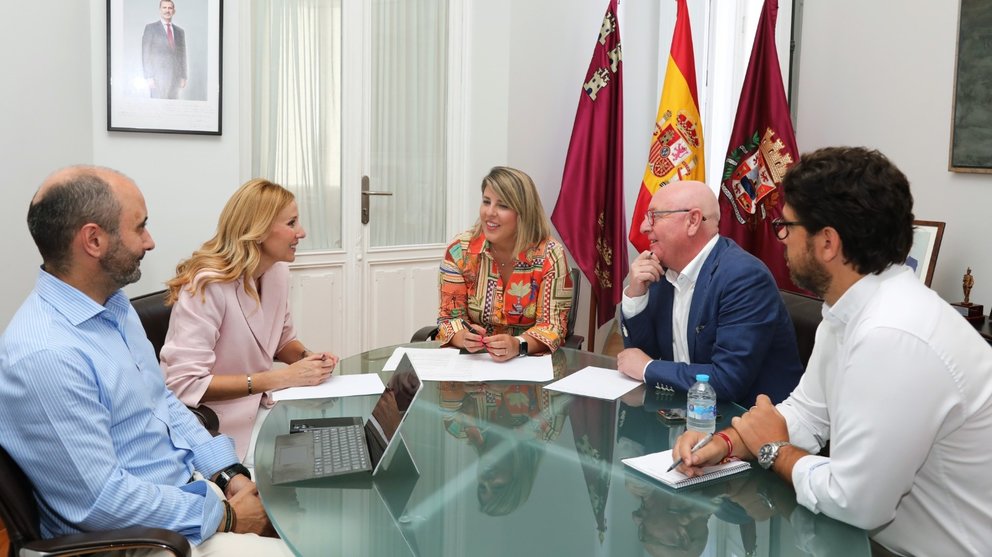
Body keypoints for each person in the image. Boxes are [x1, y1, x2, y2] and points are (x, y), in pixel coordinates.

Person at [673, 147, 992, 556]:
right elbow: (808, 413)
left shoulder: (892, 333)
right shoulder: (850, 309)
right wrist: (726, 443)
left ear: (827, 242)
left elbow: (855, 501)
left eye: (786, 226)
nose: (782, 240)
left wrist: (774, 450)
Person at [0, 165, 292, 555]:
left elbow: (165, 404)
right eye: (139, 227)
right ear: (93, 240)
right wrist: (227, 516)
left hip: (182, 496)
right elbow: (102, 503)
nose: (150, 242)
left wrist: (229, 474)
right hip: (135, 540)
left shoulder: (113, 306)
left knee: (303, 514)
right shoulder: (46, 355)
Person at [161, 179, 338, 463]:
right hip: (217, 424)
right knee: (310, 464)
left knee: (335, 445)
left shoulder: (276, 273)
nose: (301, 232)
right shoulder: (206, 286)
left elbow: (282, 340)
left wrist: (308, 359)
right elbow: (184, 383)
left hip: (263, 407)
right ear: (258, 231)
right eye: (291, 223)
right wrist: (279, 377)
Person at [616, 180, 804, 406]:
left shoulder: (743, 277)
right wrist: (636, 295)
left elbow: (727, 381)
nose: (643, 227)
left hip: (748, 424)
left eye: (654, 216)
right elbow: (637, 357)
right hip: (685, 414)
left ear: (693, 221)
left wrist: (648, 368)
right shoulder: (662, 269)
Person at [436, 166, 573, 360]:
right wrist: (463, 337)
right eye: (486, 202)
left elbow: (553, 327)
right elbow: (450, 317)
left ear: (523, 213)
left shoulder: (550, 255)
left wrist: (518, 345)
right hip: (475, 364)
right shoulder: (460, 251)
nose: (489, 212)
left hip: (528, 366)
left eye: (502, 205)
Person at [142, 0, 188, 99]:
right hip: (157, 78)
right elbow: (146, 53)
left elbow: (182, 55)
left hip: (175, 79)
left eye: (170, 8)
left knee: (173, 109)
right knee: (158, 109)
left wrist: (183, 76)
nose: (167, 10)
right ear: (160, 10)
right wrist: (149, 76)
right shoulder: (150, 28)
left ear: (173, 11)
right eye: (164, 8)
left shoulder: (180, 32)